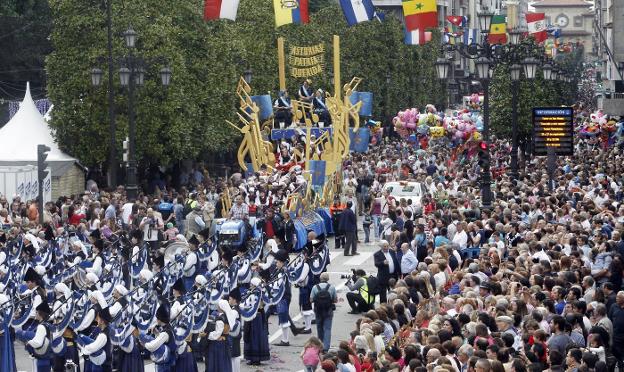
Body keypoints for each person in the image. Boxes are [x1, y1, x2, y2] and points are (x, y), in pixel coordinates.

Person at [310, 272, 337, 352]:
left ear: (320, 278)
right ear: (328, 279)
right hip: (328, 310)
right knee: (327, 329)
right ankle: (326, 347)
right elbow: (335, 300)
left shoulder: (315, 287)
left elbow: (311, 300)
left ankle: (320, 345)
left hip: (318, 310)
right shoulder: (331, 287)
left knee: (319, 328)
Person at [373, 240, 399, 304]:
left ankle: (394, 305)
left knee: (394, 292)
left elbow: (396, 262)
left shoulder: (392, 251)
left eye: (387, 246)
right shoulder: (377, 254)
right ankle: (383, 307)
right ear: (381, 247)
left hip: (393, 275)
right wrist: (383, 263)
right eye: (384, 246)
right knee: (383, 294)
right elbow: (376, 264)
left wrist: (399, 272)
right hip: (383, 277)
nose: (386, 248)